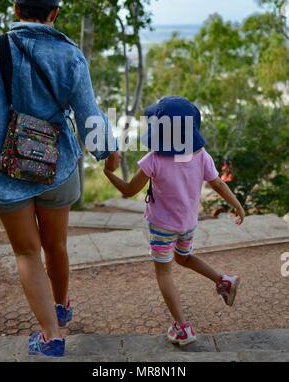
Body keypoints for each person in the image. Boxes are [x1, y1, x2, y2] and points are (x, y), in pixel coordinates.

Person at [0, 0, 120, 357]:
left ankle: (51, 336)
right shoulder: (70, 56)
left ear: (15, 10)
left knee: (26, 253)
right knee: (56, 245)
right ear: (55, 13)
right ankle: (60, 308)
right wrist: (108, 150)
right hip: (56, 165)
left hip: (3, 170)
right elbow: (88, 115)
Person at [104, 96, 245, 346]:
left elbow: (128, 190)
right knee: (184, 257)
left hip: (161, 227)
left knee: (164, 273)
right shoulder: (201, 155)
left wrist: (108, 172)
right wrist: (237, 205)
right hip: (188, 224)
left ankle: (182, 328)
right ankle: (223, 281)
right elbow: (218, 184)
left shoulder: (154, 159)